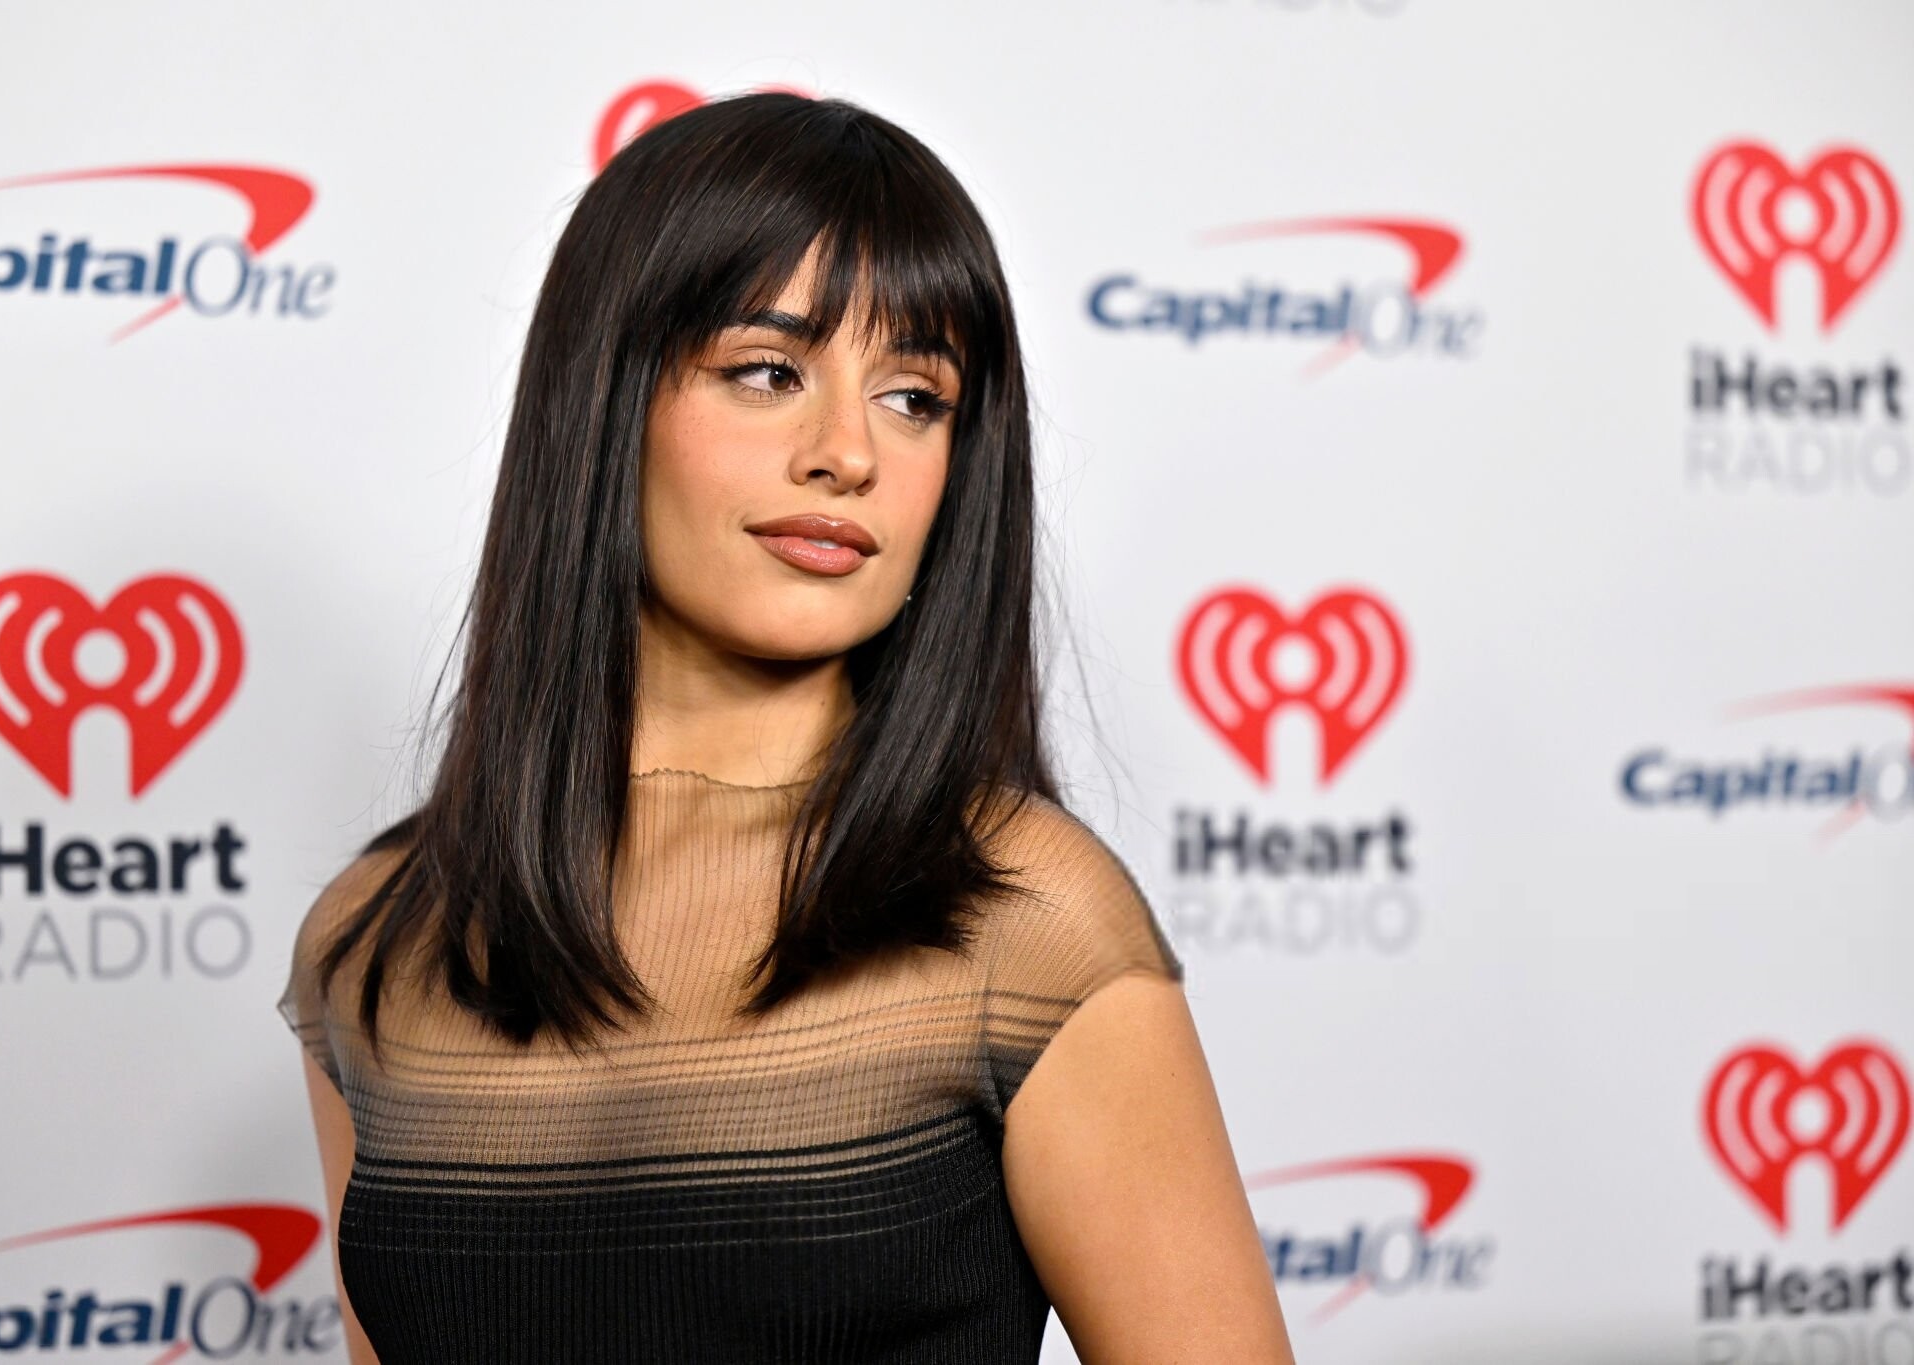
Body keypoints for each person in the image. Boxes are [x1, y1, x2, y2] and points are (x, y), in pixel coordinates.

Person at [278, 90, 1295, 1364]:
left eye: (914, 397)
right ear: (602, 403)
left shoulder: (1022, 921)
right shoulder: (379, 941)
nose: (846, 453)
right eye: (767, 372)